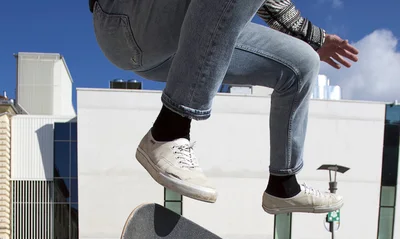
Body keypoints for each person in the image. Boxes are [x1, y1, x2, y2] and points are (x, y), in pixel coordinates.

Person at [90, 0, 358, 214]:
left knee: (301, 64)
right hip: (126, 19)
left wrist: (314, 38)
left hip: (184, 39)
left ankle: (283, 185)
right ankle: (168, 130)